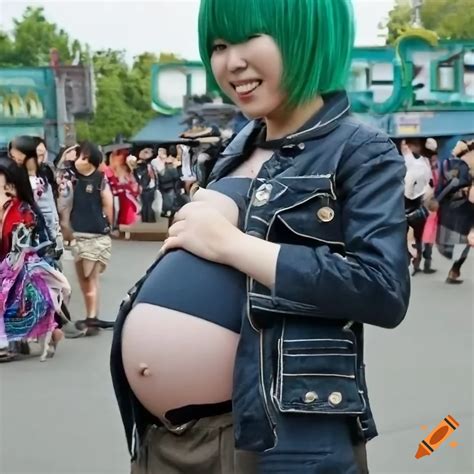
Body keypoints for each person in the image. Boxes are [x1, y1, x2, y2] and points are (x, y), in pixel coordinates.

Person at [111, 1, 410, 473]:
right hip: (164, 437)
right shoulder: (236, 146)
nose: (232, 62)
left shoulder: (360, 150)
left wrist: (233, 244)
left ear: (308, 33)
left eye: (251, 38)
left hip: (273, 437)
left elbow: (382, 289)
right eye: (219, 45)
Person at [0, 157, 67, 361]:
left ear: (12, 186)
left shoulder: (23, 210)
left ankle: (51, 332)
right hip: (5, 265)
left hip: (23, 266)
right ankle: (6, 343)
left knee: (30, 306)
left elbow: (22, 243)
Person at [69, 142, 114, 333]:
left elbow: (108, 204)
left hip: (95, 235)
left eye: (83, 157)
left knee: (90, 278)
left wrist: (108, 226)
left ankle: (92, 318)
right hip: (78, 234)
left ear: (92, 161)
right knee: (85, 280)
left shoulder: (100, 179)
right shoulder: (72, 179)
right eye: (79, 156)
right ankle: (91, 316)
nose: (79, 161)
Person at [436, 139, 474, 284]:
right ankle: (454, 270)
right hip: (462, 207)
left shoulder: (449, 164)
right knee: (462, 240)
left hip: (452, 207)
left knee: (460, 239)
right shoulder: (463, 166)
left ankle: (454, 270)